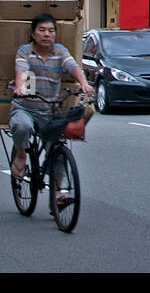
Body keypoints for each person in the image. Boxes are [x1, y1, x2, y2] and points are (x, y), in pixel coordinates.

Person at [9, 13, 93, 181]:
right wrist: (20, 86)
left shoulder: (60, 51)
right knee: (21, 126)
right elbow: (22, 69)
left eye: (51, 30)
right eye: (42, 30)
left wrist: (84, 83)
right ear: (33, 34)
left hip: (50, 110)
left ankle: (58, 191)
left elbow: (73, 67)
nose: (46, 34)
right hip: (25, 108)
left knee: (58, 150)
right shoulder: (25, 51)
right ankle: (20, 154)